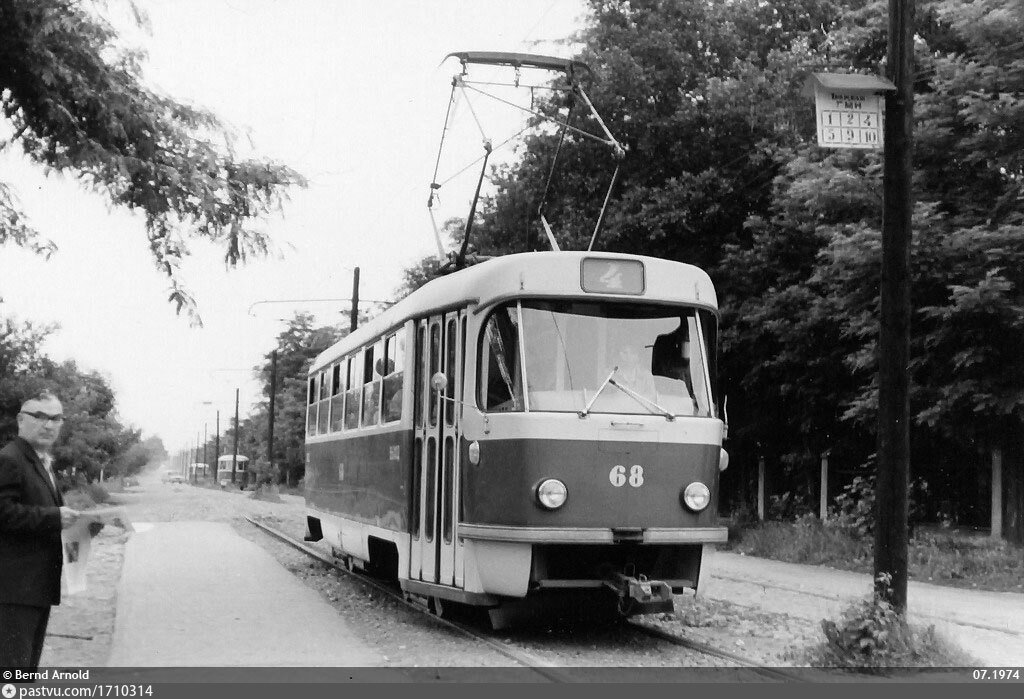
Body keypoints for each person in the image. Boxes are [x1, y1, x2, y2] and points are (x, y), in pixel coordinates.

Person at [0, 391, 80, 672]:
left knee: (23, 672)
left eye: (56, 418)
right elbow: (3, 513)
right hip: (12, 589)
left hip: (34, 587)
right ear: (21, 420)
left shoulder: (41, 461)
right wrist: (55, 517)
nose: (48, 425)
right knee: (12, 673)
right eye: (40, 416)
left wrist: (79, 526)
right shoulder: (10, 459)